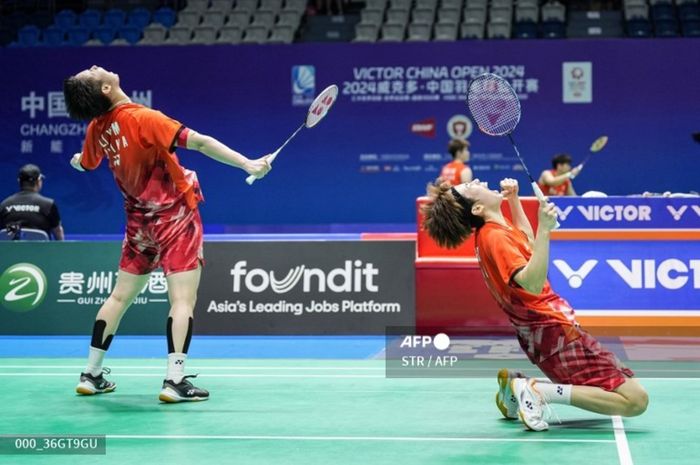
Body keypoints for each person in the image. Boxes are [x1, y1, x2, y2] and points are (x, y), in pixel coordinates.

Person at [63, 65, 271, 402]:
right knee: (182, 301)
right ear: (104, 88)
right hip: (175, 218)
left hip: (138, 224)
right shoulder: (143, 117)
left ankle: (91, 373)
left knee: (118, 298)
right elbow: (199, 143)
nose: (97, 67)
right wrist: (248, 163)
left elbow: (86, 163)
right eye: (93, 71)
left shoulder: (97, 128)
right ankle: (174, 380)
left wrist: (76, 162)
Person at [421, 178, 648, 431]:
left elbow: (527, 243)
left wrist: (515, 201)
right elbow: (533, 283)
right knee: (635, 401)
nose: (477, 180)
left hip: (545, 333)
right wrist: (547, 229)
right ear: (477, 209)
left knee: (599, 390)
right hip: (554, 330)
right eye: (470, 186)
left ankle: (517, 388)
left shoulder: (495, 230)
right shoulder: (495, 237)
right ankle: (536, 391)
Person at [0, 164, 64, 240]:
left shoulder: (4, 205)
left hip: (11, 251)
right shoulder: (49, 205)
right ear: (39, 181)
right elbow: (58, 234)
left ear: (19, 181)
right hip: (41, 251)